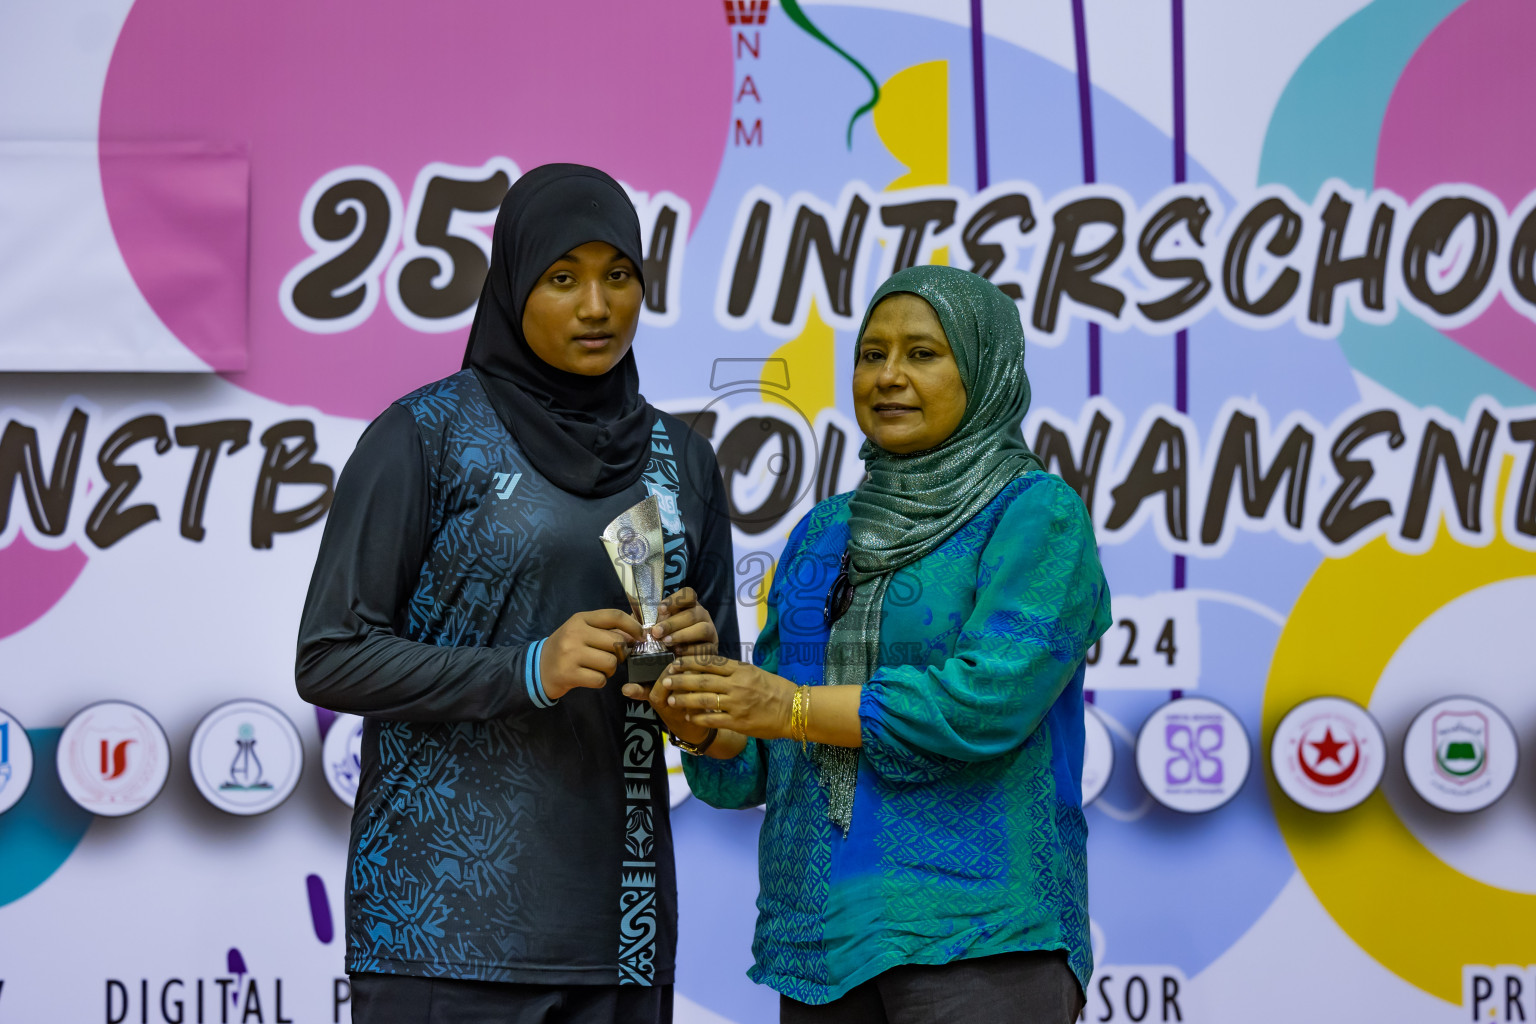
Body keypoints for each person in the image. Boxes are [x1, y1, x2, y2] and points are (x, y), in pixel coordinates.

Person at [295, 163, 738, 1024]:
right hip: (441, 929)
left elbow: (717, 732)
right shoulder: (424, 435)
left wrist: (699, 680)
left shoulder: (681, 463)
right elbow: (330, 654)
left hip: (620, 929)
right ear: (512, 285)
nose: (598, 307)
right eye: (563, 278)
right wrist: (529, 668)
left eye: (620, 276)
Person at [631, 265, 1111, 1023]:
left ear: (985, 368)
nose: (888, 377)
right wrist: (700, 708)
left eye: (923, 353)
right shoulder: (822, 532)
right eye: (871, 354)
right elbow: (766, 758)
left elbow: (984, 703)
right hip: (820, 940)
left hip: (978, 939)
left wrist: (788, 707)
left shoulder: (1036, 515)